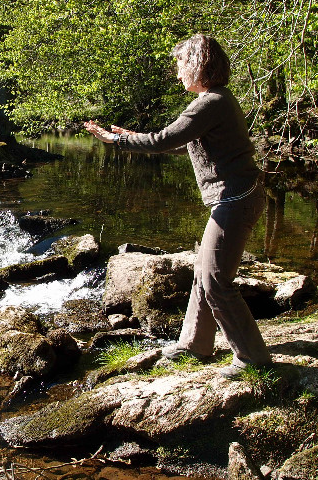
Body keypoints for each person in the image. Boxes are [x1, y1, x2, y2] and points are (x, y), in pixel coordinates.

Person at [84, 34, 271, 378]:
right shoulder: (214, 101)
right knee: (204, 272)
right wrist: (132, 138)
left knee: (215, 280)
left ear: (199, 63)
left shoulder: (210, 102)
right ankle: (195, 345)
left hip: (235, 200)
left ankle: (252, 358)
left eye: (181, 64)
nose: (178, 73)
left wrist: (118, 140)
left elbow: (163, 140)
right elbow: (179, 143)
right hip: (234, 198)